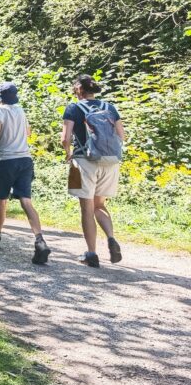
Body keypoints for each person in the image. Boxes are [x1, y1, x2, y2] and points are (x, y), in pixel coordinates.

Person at [0, 82, 52, 265]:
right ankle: (39, 240)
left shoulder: (0, 110)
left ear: (0, 98)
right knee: (26, 201)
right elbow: (28, 132)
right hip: (25, 160)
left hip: (7, 161)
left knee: (1, 200)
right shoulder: (21, 111)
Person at [62, 75, 124, 267]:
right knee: (100, 205)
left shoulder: (73, 108)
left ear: (79, 90)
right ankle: (111, 238)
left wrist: (68, 153)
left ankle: (91, 254)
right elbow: (122, 136)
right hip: (110, 161)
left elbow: (65, 138)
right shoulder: (109, 107)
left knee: (86, 208)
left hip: (84, 161)